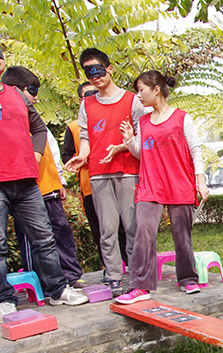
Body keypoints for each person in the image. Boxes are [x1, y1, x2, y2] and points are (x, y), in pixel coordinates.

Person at [0, 54, 88, 314]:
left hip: (26, 181)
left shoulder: (15, 95)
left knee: (45, 239)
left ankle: (57, 290)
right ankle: (4, 298)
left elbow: (39, 129)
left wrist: (35, 155)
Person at [115, 71, 208, 304]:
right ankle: (139, 286)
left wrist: (201, 181)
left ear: (156, 89)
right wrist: (129, 140)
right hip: (150, 185)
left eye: (141, 90)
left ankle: (188, 278)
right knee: (143, 234)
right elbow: (141, 153)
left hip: (179, 183)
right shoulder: (142, 121)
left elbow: (195, 151)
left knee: (181, 235)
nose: (138, 96)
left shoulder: (182, 118)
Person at [65, 48, 146, 296]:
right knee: (107, 229)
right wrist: (83, 155)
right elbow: (86, 137)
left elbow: (142, 139)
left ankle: (137, 278)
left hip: (128, 171)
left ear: (109, 69)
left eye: (98, 70)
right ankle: (113, 277)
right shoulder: (87, 104)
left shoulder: (132, 100)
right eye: (89, 73)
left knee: (132, 227)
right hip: (98, 173)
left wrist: (122, 146)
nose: (95, 76)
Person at [61, 81, 128, 280]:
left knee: (126, 227)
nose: (92, 96)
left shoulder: (117, 117)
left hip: (121, 180)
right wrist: (83, 160)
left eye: (95, 92)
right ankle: (111, 270)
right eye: (87, 94)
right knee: (103, 231)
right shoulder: (74, 128)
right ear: (81, 100)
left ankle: (132, 266)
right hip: (92, 187)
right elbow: (67, 156)